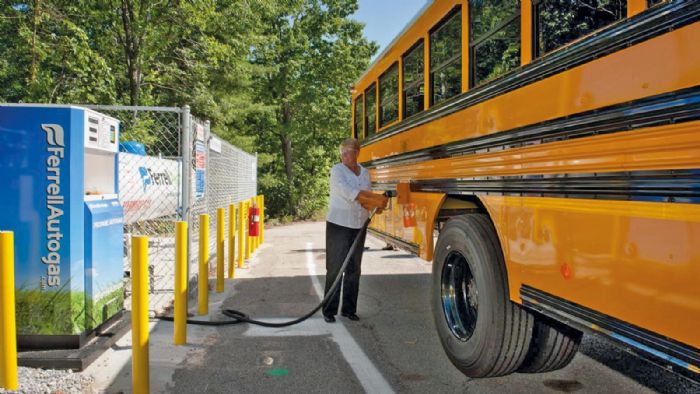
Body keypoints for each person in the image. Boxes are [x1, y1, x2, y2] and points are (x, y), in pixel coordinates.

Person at [323, 138, 387, 323]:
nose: (344, 156)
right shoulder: (337, 171)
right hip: (339, 224)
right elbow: (349, 192)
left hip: (359, 224)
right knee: (335, 267)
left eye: (347, 152)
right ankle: (329, 310)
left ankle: (349, 309)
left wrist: (376, 203)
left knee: (354, 268)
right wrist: (376, 200)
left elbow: (367, 195)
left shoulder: (364, 173)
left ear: (357, 153)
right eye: (342, 153)